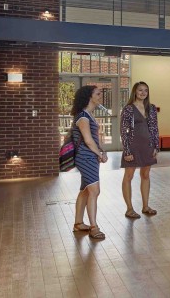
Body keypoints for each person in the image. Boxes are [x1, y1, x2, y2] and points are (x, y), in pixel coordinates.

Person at [71, 85, 109, 239]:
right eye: (98, 94)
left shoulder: (88, 115)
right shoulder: (83, 117)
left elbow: (94, 138)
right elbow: (87, 140)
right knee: (95, 191)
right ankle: (94, 227)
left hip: (91, 157)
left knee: (85, 190)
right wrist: (99, 154)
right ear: (89, 96)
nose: (100, 96)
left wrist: (102, 151)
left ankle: (78, 224)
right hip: (85, 157)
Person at [121, 82, 161, 219]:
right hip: (133, 146)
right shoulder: (128, 109)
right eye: (140, 90)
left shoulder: (151, 108)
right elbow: (123, 131)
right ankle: (129, 209)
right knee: (128, 176)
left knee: (145, 175)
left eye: (146, 90)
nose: (143, 93)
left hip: (148, 146)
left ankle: (145, 206)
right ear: (135, 92)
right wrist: (127, 150)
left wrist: (156, 146)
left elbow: (154, 128)